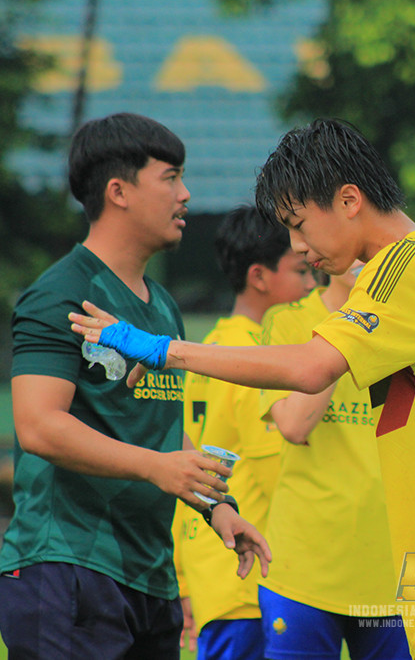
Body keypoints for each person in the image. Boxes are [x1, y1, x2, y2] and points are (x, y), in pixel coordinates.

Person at [69, 117, 415, 659]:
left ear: (349, 200)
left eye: (300, 223)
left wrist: (164, 350)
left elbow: (310, 369)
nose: (297, 246)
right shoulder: (410, 269)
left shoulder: (414, 264)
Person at [0, 112, 270, 660]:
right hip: (66, 567)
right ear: (118, 191)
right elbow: (39, 426)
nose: (186, 195)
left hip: (149, 577)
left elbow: (163, 433)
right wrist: (154, 467)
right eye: (171, 178)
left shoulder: (162, 307)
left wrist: (218, 507)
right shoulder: (60, 295)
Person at [174, 205, 316, 658]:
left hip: (211, 572)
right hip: (252, 576)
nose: (312, 285)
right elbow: (278, 471)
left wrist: (183, 578)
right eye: (301, 271)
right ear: (259, 276)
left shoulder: (209, 348)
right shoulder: (255, 358)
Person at [256, 262, 411, 660]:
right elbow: (293, 424)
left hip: (396, 570)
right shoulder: (288, 321)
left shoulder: (410, 325)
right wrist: (349, 325)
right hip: (304, 567)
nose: (363, 260)